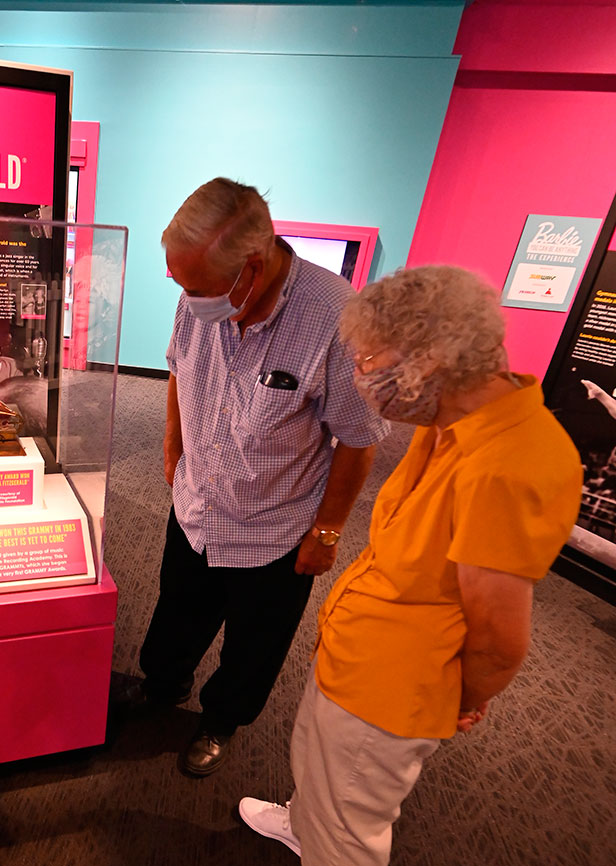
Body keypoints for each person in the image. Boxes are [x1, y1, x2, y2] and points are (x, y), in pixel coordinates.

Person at [238, 266, 583, 865]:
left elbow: (501, 639)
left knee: (349, 826)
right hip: (361, 655)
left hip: (391, 691)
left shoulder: (508, 464)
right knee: (318, 769)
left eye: (369, 360)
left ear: (431, 361)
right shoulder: (455, 422)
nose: (358, 375)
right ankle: (303, 821)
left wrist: (462, 696)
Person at [131, 178, 388, 777]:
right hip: (196, 508)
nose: (187, 297)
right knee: (176, 612)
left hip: (276, 530)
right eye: (179, 283)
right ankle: (163, 686)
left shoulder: (337, 319)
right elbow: (176, 367)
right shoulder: (202, 294)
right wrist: (174, 448)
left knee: (254, 646)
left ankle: (221, 721)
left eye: (196, 287)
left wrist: (327, 530)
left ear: (251, 267)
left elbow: (358, 438)